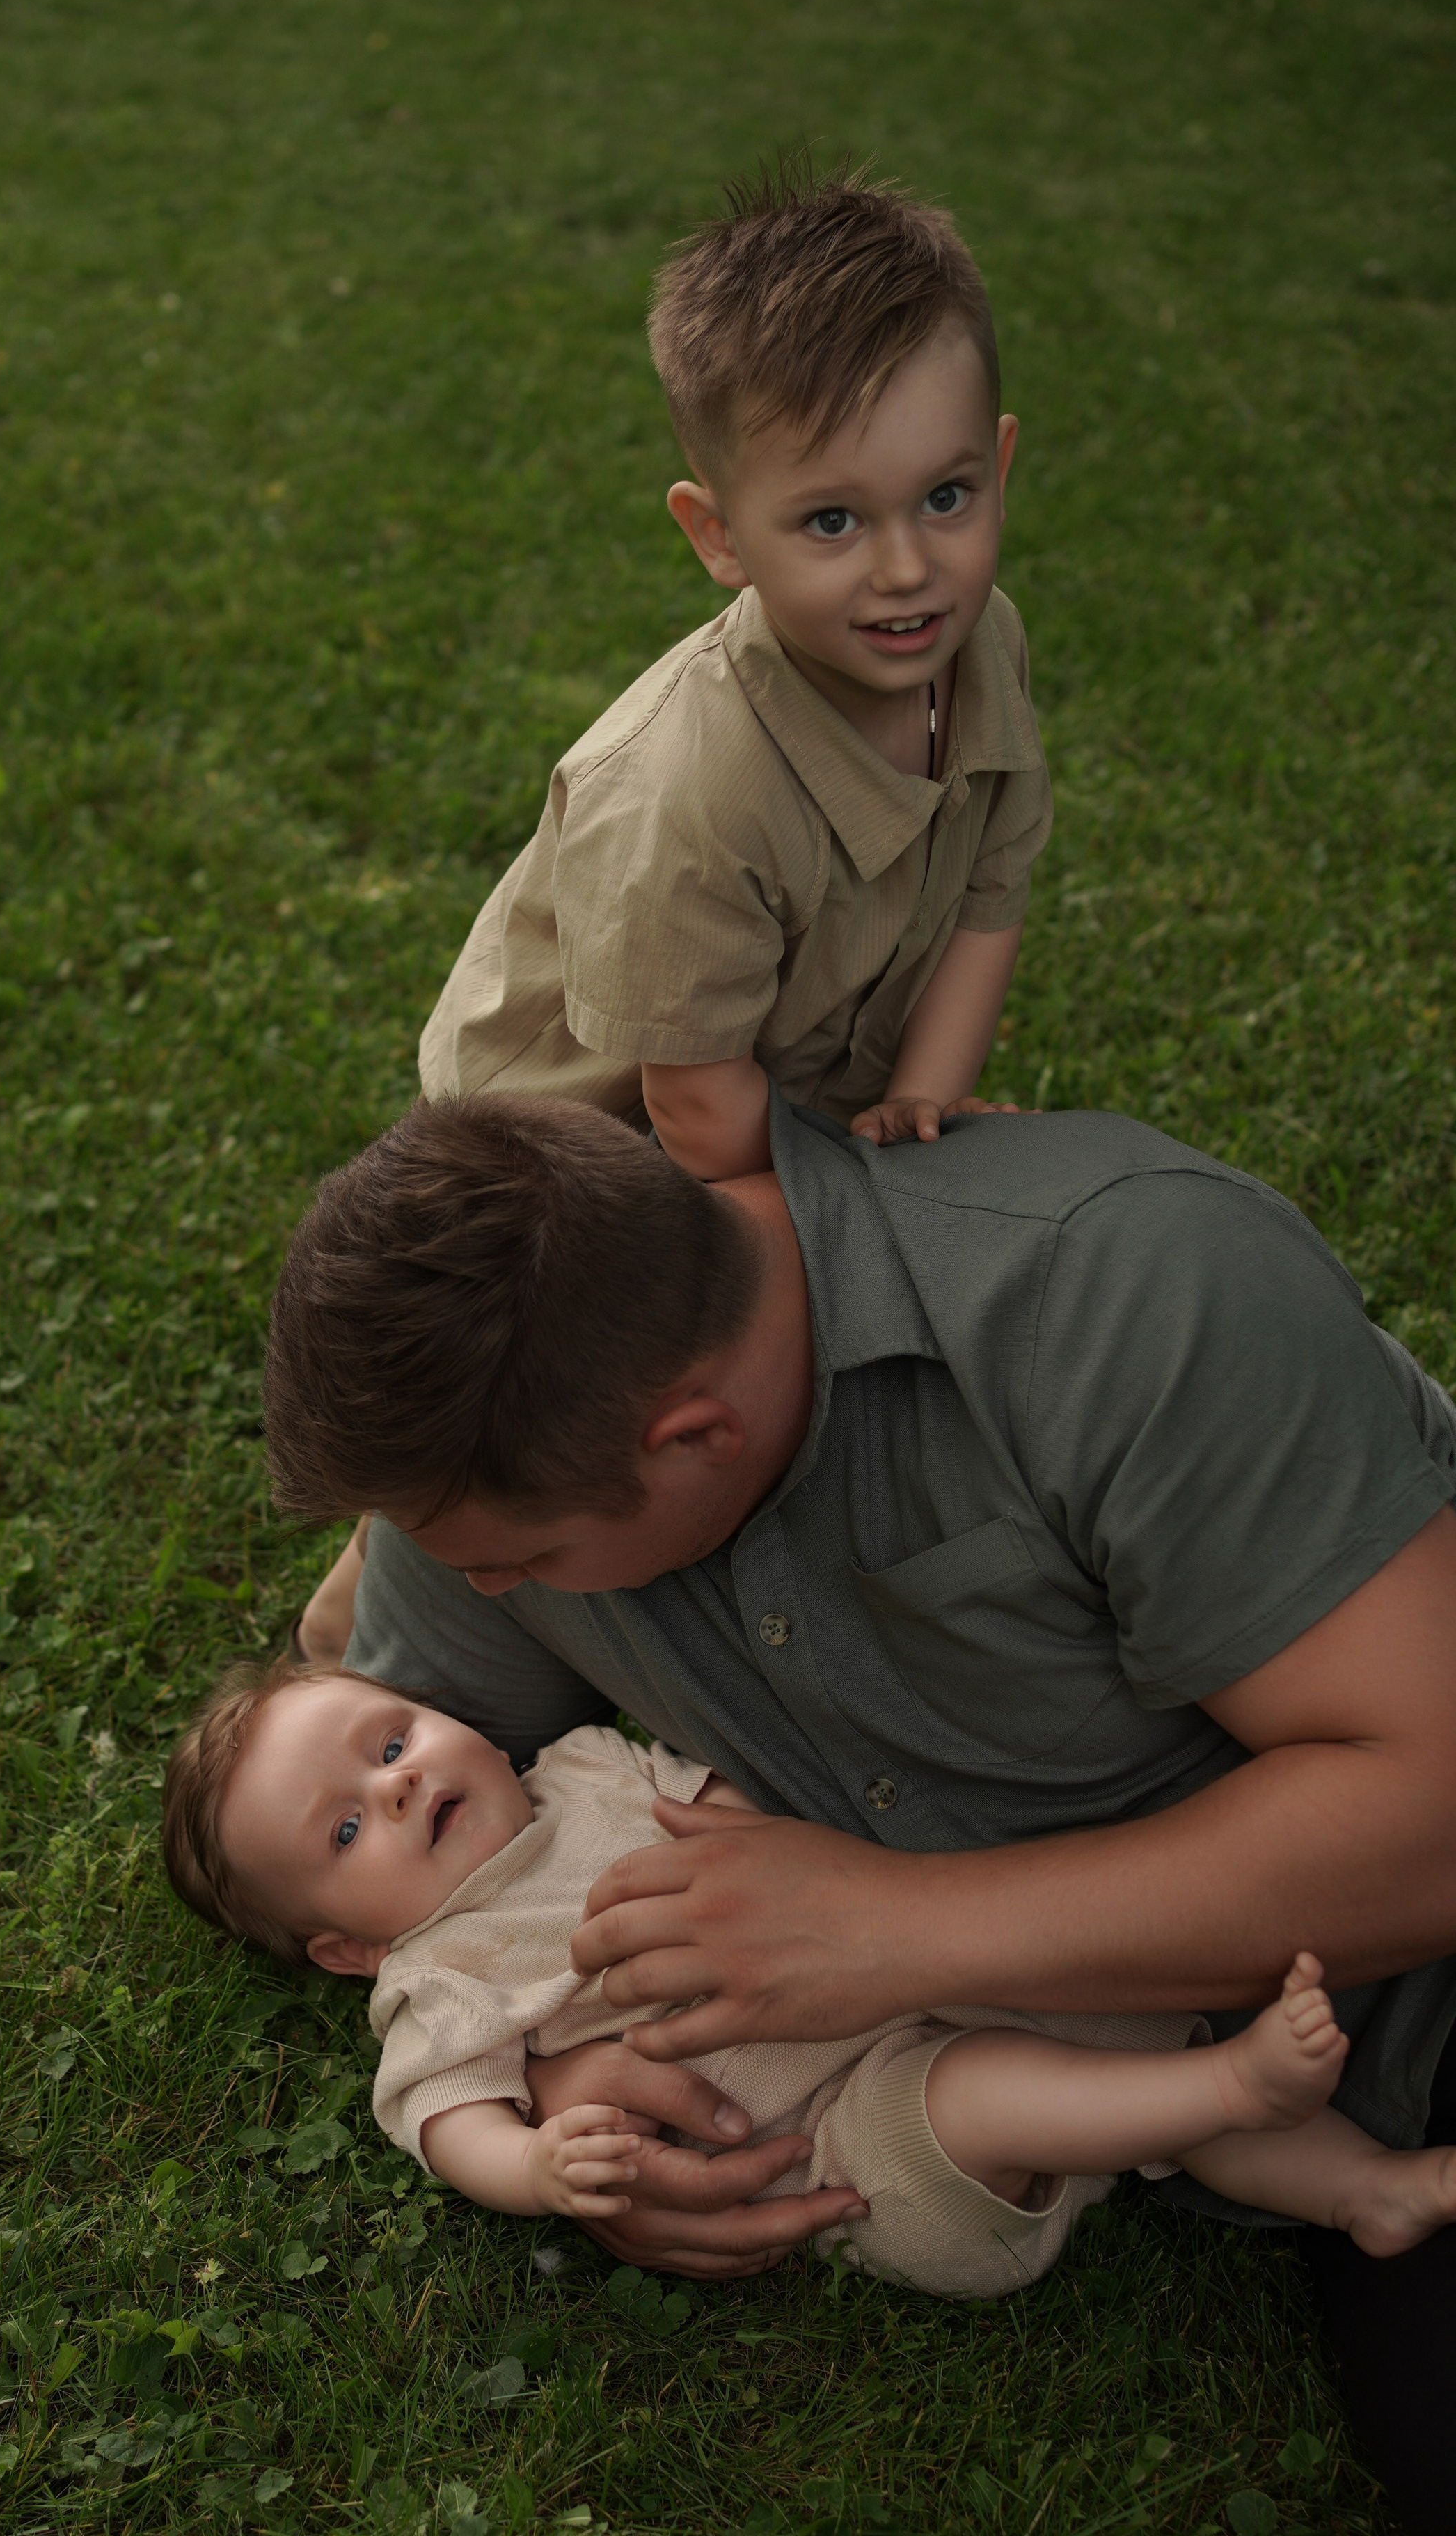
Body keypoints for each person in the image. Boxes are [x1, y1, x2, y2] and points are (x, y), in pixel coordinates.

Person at [261, 1088, 1456, 2536]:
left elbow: (1433, 1816)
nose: (485, 1596)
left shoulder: (1115, 1294)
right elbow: (423, 1828)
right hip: (1212, 2095)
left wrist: (901, 1931)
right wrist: (564, 2070)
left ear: (691, 1435)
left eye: (524, 1563)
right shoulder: (509, 1475)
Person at [294, 159, 1043, 1666]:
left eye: (944, 499)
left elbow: (983, 892)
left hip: (785, 1060)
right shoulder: (684, 793)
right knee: (576, 1396)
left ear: (999, 469)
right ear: (715, 535)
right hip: (587, 1130)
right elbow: (696, 1118)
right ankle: (388, 1584)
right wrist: (863, 1221)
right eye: (829, 521)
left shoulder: (978, 649)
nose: (906, 568)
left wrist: (920, 1113)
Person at [161, 1662, 1456, 2290]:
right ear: (351, 1949)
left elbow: (746, 1817)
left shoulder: (587, 1765)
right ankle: (1239, 2083)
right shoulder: (437, 1971)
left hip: (908, 1972)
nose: (394, 1785)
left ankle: (1366, 2189)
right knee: (1003, 2089)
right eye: (346, 1832)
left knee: (1119, 2036)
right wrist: (540, 2170)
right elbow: (449, 2119)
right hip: (850, 2143)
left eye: (390, 1739)